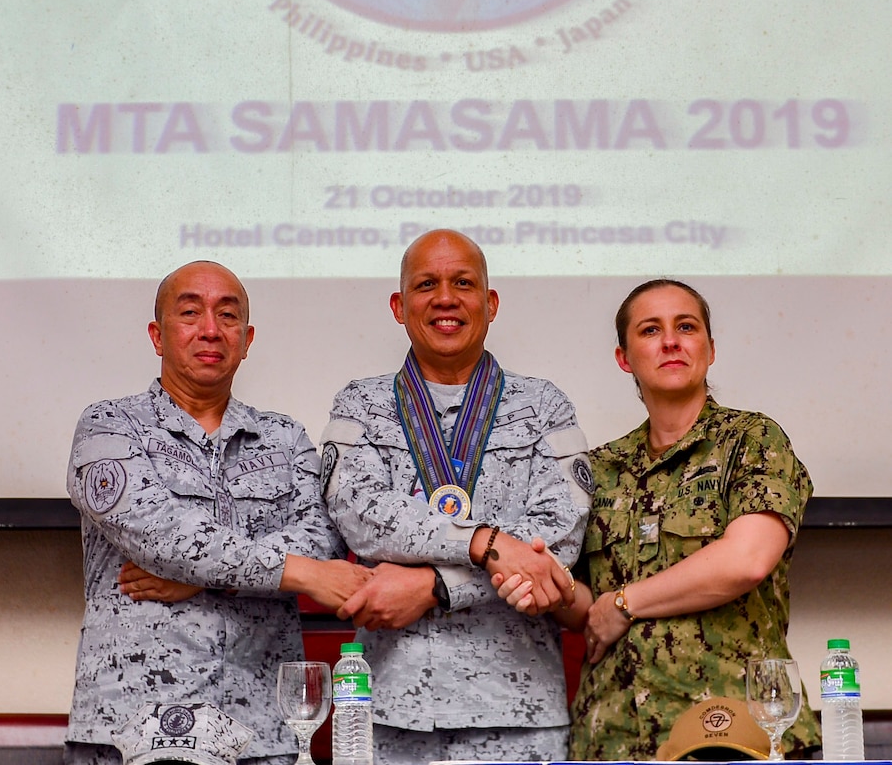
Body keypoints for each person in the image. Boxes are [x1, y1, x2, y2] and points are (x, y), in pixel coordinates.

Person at [494, 278, 820, 761]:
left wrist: (624, 602)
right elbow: (586, 605)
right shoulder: (598, 468)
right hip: (613, 736)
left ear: (709, 349)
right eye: (650, 330)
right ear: (624, 358)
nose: (670, 341)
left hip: (735, 733)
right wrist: (546, 585)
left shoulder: (752, 439)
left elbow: (747, 560)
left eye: (686, 327)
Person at [64, 260, 370, 765]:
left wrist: (211, 580)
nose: (210, 329)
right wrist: (295, 573)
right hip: (137, 727)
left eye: (227, 316)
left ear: (247, 340)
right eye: (190, 313)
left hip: (264, 730)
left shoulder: (285, 438)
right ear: (157, 335)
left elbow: (324, 539)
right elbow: (163, 537)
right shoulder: (108, 427)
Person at [320, 229, 593, 765]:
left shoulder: (545, 407)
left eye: (463, 282)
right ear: (400, 306)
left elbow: (554, 544)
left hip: (519, 716)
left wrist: (435, 585)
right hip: (388, 712)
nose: (446, 297)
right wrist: (488, 544)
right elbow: (360, 515)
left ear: (489, 304)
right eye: (427, 284)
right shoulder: (359, 404)